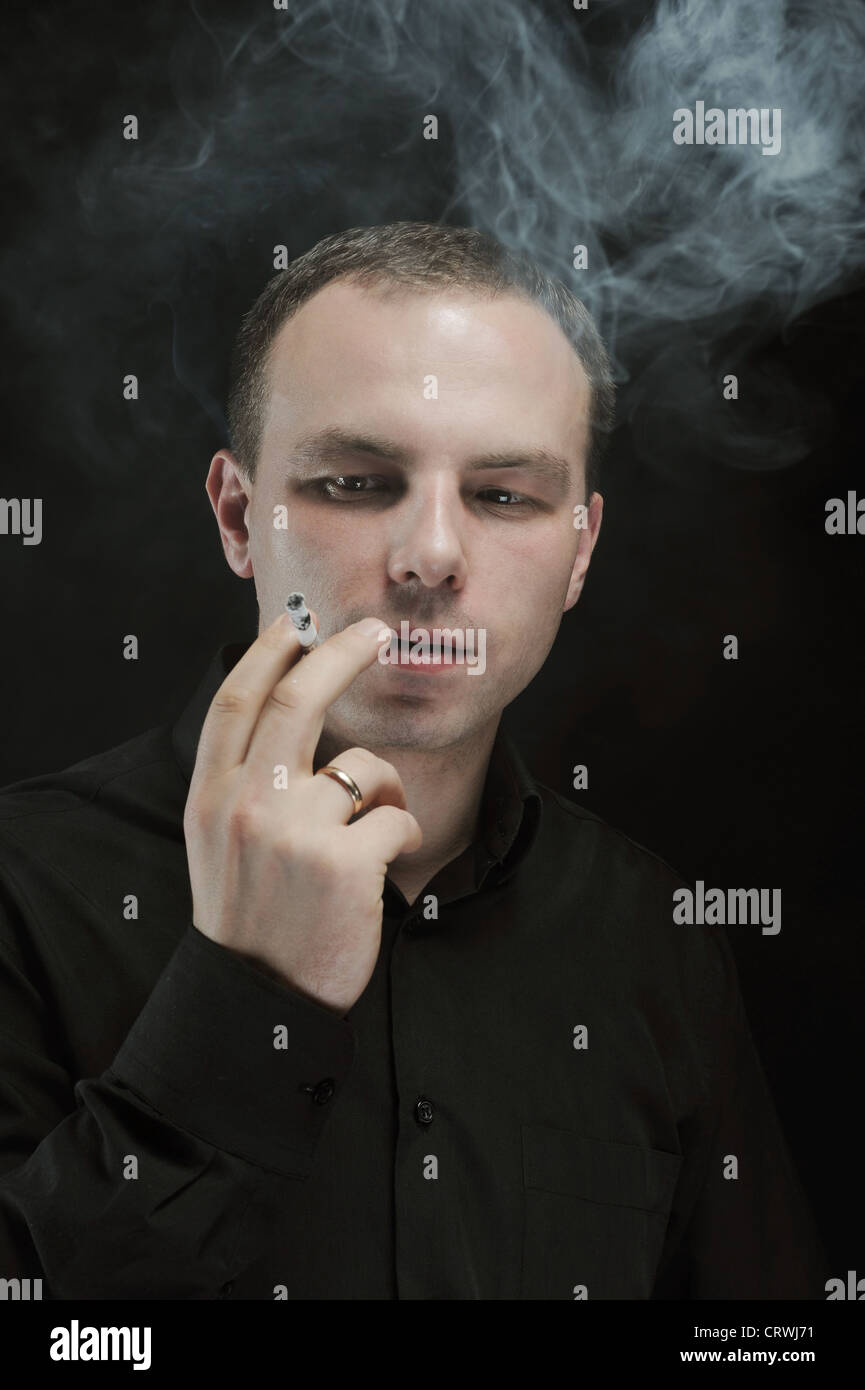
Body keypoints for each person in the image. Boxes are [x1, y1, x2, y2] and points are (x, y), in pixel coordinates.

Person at [0, 222, 827, 1300]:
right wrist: (247, 999)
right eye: (355, 481)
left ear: (578, 551)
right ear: (240, 515)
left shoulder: (653, 932)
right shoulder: (22, 888)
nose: (431, 557)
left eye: (502, 495)